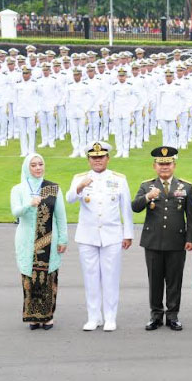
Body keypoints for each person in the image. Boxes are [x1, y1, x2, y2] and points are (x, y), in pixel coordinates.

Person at [66, 141, 134, 332]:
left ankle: (110, 317)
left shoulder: (119, 179)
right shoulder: (80, 178)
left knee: (111, 276)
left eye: (101, 157)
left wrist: (127, 234)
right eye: (94, 158)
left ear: (107, 158)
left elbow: (125, 209)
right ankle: (93, 317)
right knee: (91, 277)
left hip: (112, 234)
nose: (97, 161)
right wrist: (79, 187)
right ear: (88, 159)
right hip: (87, 235)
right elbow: (69, 199)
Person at [131, 146, 192, 331]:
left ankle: (173, 315)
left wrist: (190, 238)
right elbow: (134, 207)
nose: (164, 167)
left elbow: (191, 216)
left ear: (174, 165)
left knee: (175, 280)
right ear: (154, 166)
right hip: (153, 241)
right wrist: (146, 197)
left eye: (168, 164)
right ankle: (156, 315)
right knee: (155, 280)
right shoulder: (147, 186)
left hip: (177, 242)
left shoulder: (186, 187)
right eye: (161, 164)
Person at [10, 153, 68, 330]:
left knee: (49, 278)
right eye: (33, 165)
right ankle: (33, 316)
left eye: (40, 164)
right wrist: (29, 204)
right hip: (26, 239)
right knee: (29, 276)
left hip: (49, 238)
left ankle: (47, 316)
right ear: (27, 167)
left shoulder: (52, 188)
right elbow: (15, 212)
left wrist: (63, 238)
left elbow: (61, 216)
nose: (37, 168)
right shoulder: (18, 189)